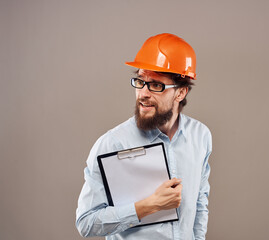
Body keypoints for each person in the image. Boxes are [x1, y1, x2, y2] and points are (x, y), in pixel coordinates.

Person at [76, 33, 212, 240]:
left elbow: (200, 203)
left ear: (180, 93)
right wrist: (151, 205)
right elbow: (86, 223)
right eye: (140, 81)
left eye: (156, 85)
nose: (143, 93)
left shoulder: (200, 136)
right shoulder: (112, 143)